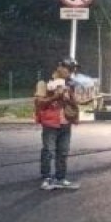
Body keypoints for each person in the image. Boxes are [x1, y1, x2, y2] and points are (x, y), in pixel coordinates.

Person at [34, 60, 80, 190]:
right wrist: (55, 97)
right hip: (50, 123)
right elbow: (39, 103)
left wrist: (70, 99)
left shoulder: (70, 84)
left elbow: (74, 102)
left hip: (65, 122)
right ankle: (47, 178)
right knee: (48, 151)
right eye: (68, 69)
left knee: (63, 152)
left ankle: (61, 178)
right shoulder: (44, 83)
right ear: (59, 67)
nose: (70, 72)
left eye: (72, 70)